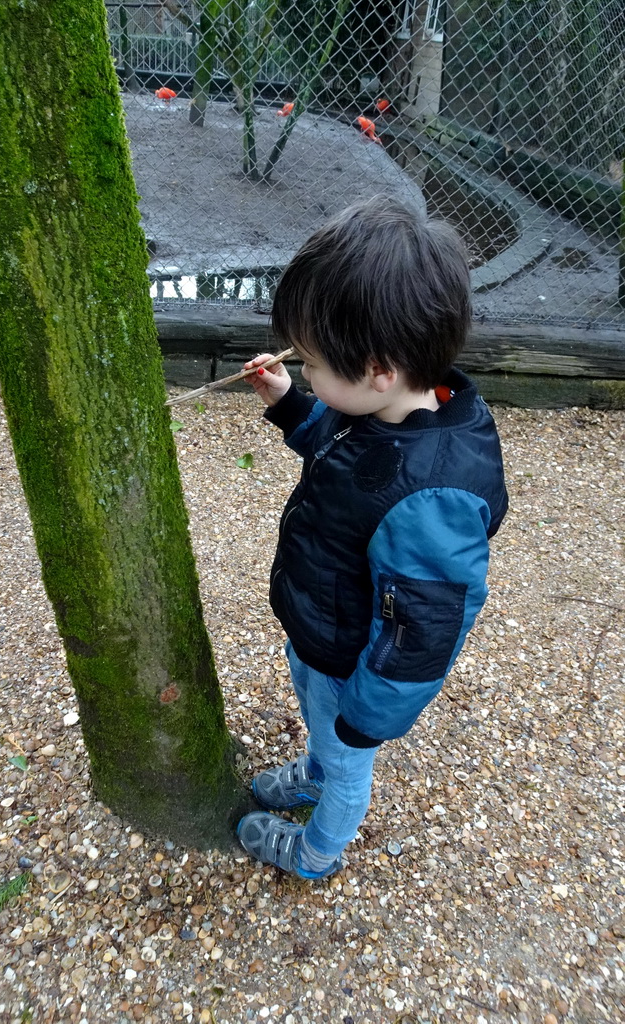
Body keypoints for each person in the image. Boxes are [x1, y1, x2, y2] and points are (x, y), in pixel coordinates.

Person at [236, 197, 509, 879]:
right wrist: (289, 403)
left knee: (348, 751)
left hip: (353, 663)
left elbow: (423, 633)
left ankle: (317, 850)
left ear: (380, 370)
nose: (306, 374)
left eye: (314, 365)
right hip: (320, 628)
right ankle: (318, 768)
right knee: (317, 716)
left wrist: (367, 717)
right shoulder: (382, 410)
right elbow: (342, 456)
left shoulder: (431, 499)